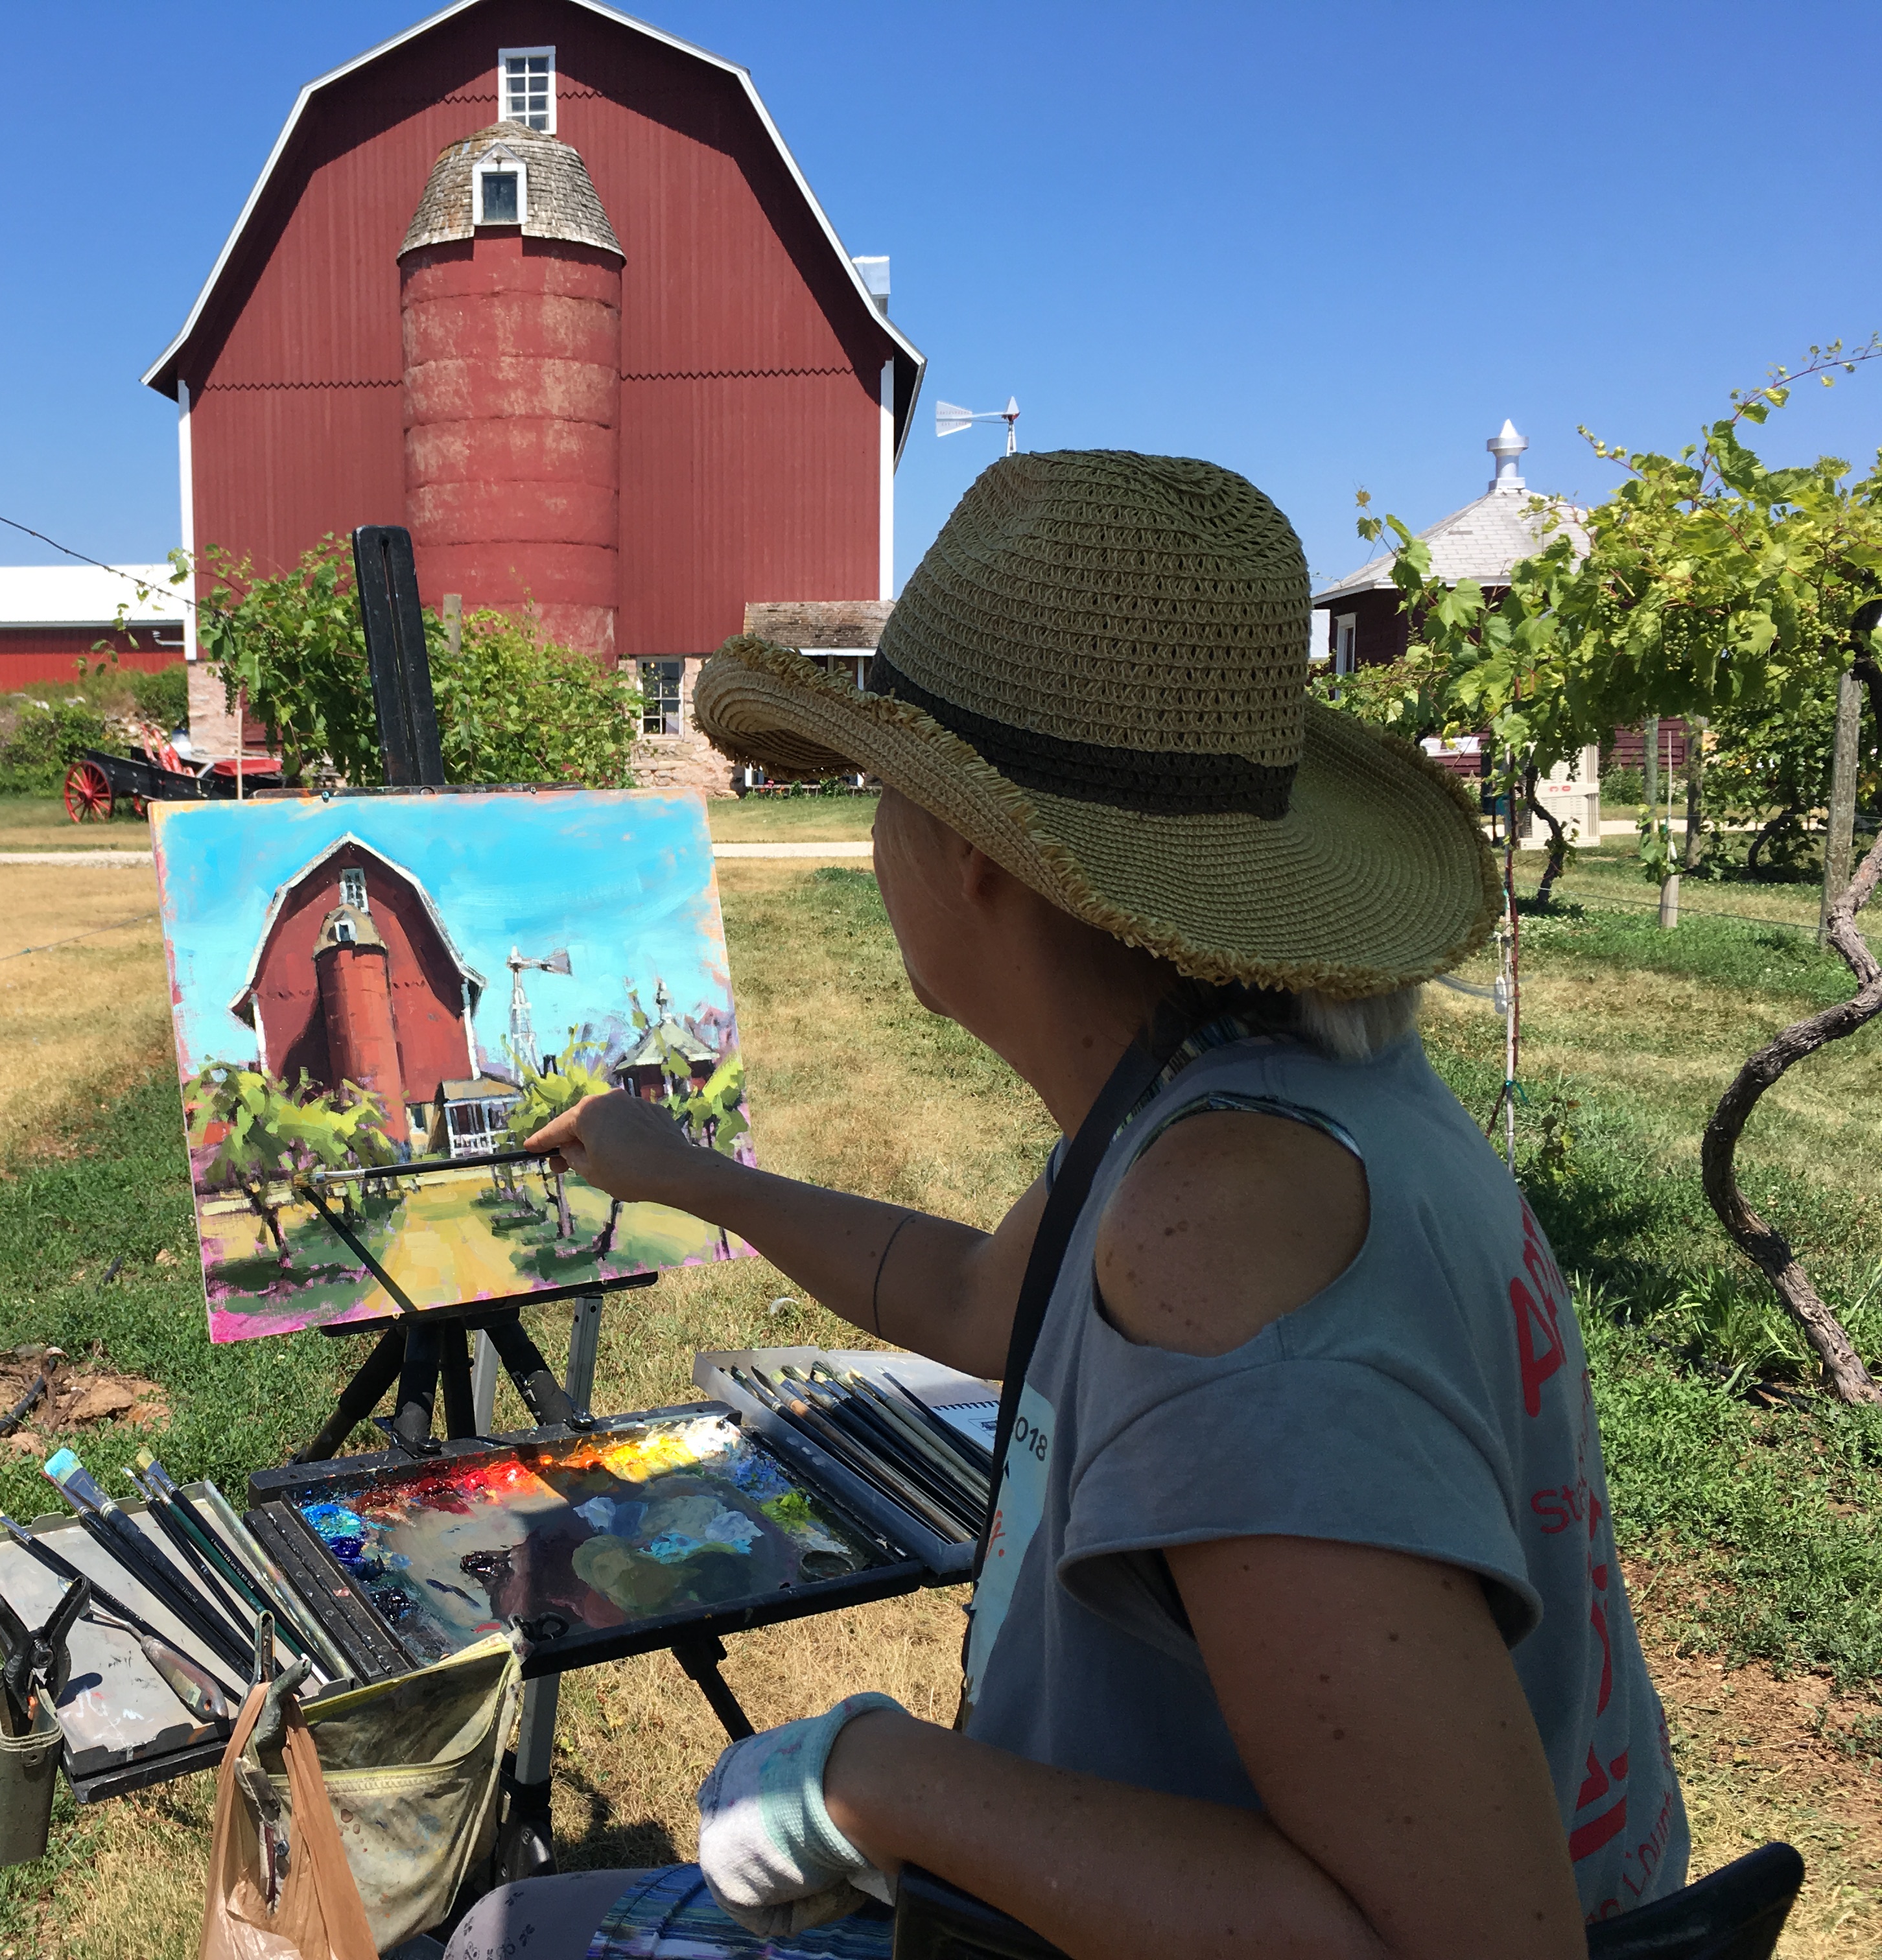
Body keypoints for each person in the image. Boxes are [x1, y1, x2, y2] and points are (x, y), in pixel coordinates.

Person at [455, 452, 1686, 1960]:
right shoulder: (1242, 1079)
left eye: (883, 794)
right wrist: (694, 1175)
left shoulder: (1219, 1233)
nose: (873, 843)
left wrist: (882, 1780)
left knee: (502, 1933)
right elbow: (982, 1303)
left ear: (969, 854)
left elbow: (1468, 1942)